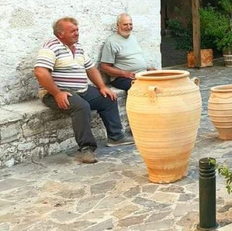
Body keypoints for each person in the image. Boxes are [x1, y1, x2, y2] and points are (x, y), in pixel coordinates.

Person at [34, 17, 134, 164]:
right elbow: (40, 72)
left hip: (82, 90)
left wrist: (102, 87)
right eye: (72, 31)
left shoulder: (78, 47)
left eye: (77, 30)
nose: (76, 33)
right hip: (56, 93)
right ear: (60, 34)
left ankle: (116, 137)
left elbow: (91, 69)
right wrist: (57, 93)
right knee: (81, 107)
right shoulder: (50, 47)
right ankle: (86, 149)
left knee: (108, 98)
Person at [100, 13, 155, 91]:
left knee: (163, 81)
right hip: (122, 78)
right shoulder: (111, 42)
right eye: (125, 24)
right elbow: (104, 67)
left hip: (141, 74)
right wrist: (125, 74)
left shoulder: (133, 38)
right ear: (118, 25)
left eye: (130, 24)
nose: (129, 27)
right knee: (144, 87)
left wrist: (148, 68)